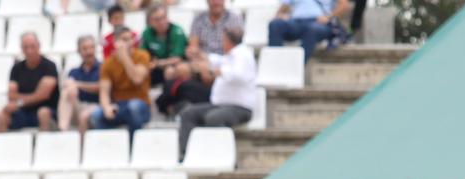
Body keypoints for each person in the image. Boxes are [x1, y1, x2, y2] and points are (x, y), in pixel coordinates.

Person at [179, 26, 257, 155]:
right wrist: (200, 56)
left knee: (214, 118)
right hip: (220, 105)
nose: (222, 43)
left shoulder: (243, 55)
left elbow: (238, 75)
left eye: (223, 40)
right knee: (188, 113)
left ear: (228, 41)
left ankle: (217, 154)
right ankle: (187, 154)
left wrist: (214, 71)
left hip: (240, 108)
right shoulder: (230, 56)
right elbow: (216, 60)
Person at [92, 27, 152, 134]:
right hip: (119, 105)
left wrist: (124, 58)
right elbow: (104, 91)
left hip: (141, 103)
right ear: (115, 42)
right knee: (96, 115)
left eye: (130, 39)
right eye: (124, 39)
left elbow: (137, 79)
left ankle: (133, 146)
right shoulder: (108, 63)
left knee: (134, 107)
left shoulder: (142, 55)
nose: (129, 43)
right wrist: (106, 107)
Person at [0, 32, 59, 133]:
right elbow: (11, 95)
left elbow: (43, 95)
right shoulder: (16, 69)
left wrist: (19, 101)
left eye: (32, 47)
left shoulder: (49, 67)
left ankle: (44, 146)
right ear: (22, 49)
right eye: (26, 47)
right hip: (24, 112)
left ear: (38, 46)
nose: (29, 51)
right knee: (2, 115)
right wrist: (21, 101)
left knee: (43, 113)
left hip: (47, 110)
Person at [268, 0, 350, 62]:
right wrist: (280, 16)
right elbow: (284, 7)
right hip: (296, 21)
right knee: (275, 24)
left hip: (319, 23)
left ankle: (296, 66)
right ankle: (275, 63)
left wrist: (329, 17)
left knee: (311, 29)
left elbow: (344, 5)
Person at [58, 35, 102, 133]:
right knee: (67, 90)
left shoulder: (103, 68)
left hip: (98, 106)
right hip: (79, 106)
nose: (88, 52)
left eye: (91, 48)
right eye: (85, 49)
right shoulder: (74, 72)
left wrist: (78, 85)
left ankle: (81, 146)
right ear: (79, 51)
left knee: (84, 115)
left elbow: (102, 87)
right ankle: (63, 129)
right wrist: (73, 87)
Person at [140, 3, 187, 86]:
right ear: (149, 21)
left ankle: (169, 96)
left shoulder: (177, 31)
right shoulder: (147, 33)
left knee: (170, 71)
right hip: (154, 67)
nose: (161, 22)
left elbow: (177, 58)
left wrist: (158, 63)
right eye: (157, 19)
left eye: (163, 17)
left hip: (173, 66)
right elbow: (142, 54)